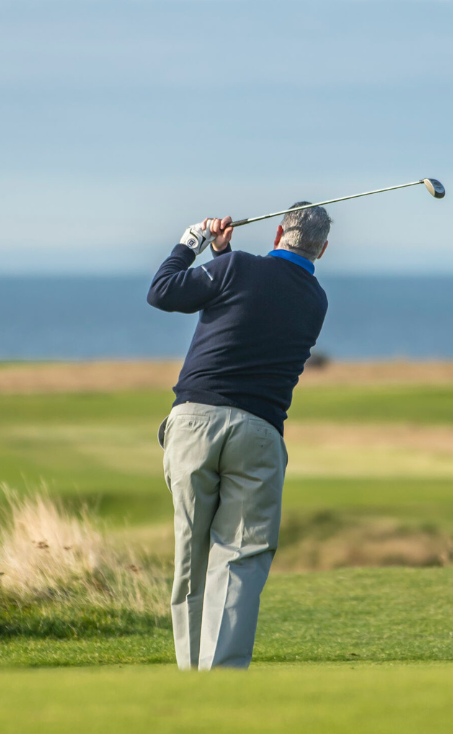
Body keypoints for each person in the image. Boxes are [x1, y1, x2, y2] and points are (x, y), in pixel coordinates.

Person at [146, 203, 330, 670]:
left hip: (193, 423)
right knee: (240, 558)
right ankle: (222, 678)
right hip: (260, 433)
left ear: (275, 233)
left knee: (193, 551)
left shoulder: (233, 267)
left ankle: (192, 678)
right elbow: (260, 296)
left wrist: (194, 241)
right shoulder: (316, 300)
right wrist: (223, 256)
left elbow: (163, 292)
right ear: (322, 249)